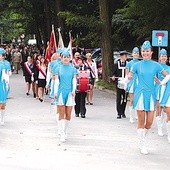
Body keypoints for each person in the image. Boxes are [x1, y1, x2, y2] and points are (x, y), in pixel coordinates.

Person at [127, 41, 168, 154]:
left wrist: (161, 82)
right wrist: (129, 77)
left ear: (151, 52)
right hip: (140, 94)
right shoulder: (136, 65)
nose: (145, 53)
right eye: (143, 51)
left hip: (151, 95)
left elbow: (167, 75)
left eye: (147, 51)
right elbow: (130, 74)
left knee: (149, 122)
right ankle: (142, 143)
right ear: (141, 52)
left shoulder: (156, 65)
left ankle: (142, 138)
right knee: (141, 120)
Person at [54, 48, 78, 142]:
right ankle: (62, 133)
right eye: (64, 57)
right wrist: (55, 92)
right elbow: (56, 81)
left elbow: (74, 80)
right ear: (61, 57)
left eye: (68, 57)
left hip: (69, 93)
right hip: (60, 92)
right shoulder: (58, 68)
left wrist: (73, 90)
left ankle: (65, 130)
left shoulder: (73, 69)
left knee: (68, 114)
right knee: (61, 113)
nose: (66, 59)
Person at [155, 49, 169, 136]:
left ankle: (162, 124)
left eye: (164, 56)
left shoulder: (169, 68)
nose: (163, 58)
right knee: (158, 108)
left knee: (166, 109)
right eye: (161, 56)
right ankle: (159, 128)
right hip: (158, 88)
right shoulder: (156, 67)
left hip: (166, 89)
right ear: (159, 57)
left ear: (167, 57)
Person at [111, 51, 128, 119]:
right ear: (121, 56)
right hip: (119, 83)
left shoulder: (128, 64)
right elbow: (113, 73)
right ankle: (118, 113)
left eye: (126, 56)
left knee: (125, 98)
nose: (126, 57)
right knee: (118, 98)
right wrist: (113, 76)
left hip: (126, 83)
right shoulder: (116, 64)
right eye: (124, 56)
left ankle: (123, 111)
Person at [126, 47, 140, 123]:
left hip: (139, 83)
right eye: (135, 53)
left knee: (138, 100)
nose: (136, 54)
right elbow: (127, 74)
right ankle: (131, 116)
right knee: (131, 100)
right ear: (132, 54)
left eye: (137, 53)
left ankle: (137, 115)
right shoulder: (129, 63)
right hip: (132, 83)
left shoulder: (140, 63)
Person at [0, 48, 10, 125]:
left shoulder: (6, 63)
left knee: (2, 103)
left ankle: (2, 118)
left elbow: (9, 74)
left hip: (3, 84)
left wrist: (7, 73)